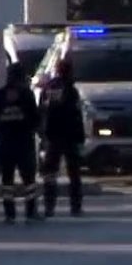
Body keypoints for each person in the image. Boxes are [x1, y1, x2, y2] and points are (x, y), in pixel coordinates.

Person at [0, 62, 41, 223]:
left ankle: (9, 214)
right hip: (24, 143)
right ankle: (31, 212)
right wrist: (40, 133)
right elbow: (35, 118)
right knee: (29, 180)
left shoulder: (0, 95)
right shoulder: (26, 94)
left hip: (6, 143)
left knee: (7, 181)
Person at [38, 57, 86, 217]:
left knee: (50, 174)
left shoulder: (49, 87)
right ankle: (76, 207)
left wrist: (42, 133)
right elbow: (76, 114)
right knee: (74, 173)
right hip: (69, 135)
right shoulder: (71, 90)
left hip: (52, 135)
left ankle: (49, 206)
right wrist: (81, 136)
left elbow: (43, 111)